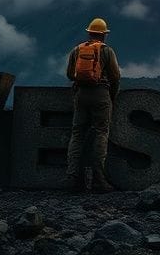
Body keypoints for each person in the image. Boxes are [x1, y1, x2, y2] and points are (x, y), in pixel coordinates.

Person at [65, 17, 121, 192]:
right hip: (101, 95)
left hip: (81, 95)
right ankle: (98, 179)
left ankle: (73, 178)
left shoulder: (77, 50)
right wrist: (111, 96)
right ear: (104, 35)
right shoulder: (106, 51)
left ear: (89, 33)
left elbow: (70, 74)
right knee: (101, 133)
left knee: (77, 134)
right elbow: (115, 77)